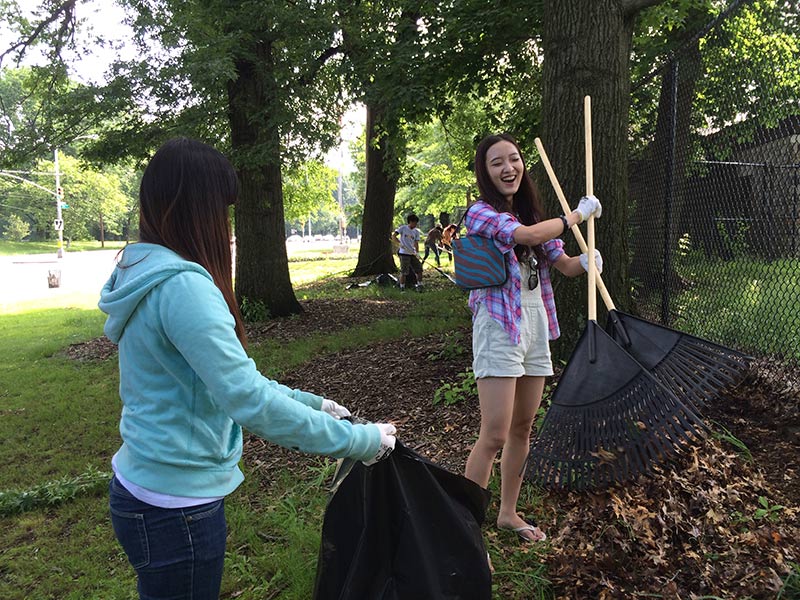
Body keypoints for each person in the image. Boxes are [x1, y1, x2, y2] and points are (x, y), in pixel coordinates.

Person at [99, 137, 397, 599]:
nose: (227, 225)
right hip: (177, 507)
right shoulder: (183, 288)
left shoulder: (141, 269)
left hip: (141, 484)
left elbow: (235, 382)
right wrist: (362, 442)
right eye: (223, 208)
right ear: (198, 207)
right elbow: (249, 403)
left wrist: (316, 404)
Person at [462, 133, 603, 543]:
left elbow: (562, 264)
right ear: (485, 173)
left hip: (535, 324)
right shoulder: (481, 213)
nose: (508, 168)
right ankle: (466, 529)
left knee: (522, 427)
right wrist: (575, 214)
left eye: (514, 159)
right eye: (497, 163)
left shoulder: (531, 214)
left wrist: (588, 260)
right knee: (494, 433)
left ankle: (507, 513)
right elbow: (524, 238)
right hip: (499, 325)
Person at [392, 213, 423, 291]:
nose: (415, 224)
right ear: (410, 222)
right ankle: (402, 287)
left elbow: (416, 243)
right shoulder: (403, 228)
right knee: (404, 271)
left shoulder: (416, 232)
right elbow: (393, 236)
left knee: (419, 269)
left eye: (416, 222)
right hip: (403, 253)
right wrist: (399, 244)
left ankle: (420, 285)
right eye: (414, 222)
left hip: (412, 253)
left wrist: (417, 253)